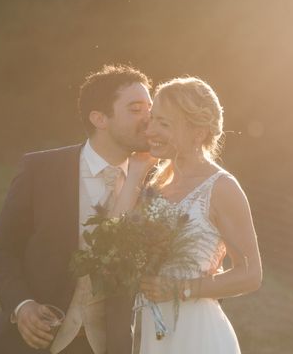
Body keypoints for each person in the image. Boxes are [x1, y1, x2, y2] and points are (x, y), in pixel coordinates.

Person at [0, 64, 152, 354]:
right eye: (136, 109)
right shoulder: (40, 169)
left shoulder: (156, 183)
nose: (149, 118)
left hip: (111, 344)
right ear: (100, 118)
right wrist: (22, 306)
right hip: (34, 341)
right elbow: (2, 248)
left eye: (150, 108)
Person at [112, 76, 262, 353]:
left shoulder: (222, 188)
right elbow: (115, 240)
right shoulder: (155, 185)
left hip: (197, 335)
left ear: (198, 133)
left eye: (164, 124)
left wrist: (181, 288)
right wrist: (135, 174)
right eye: (152, 119)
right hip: (152, 333)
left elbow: (251, 274)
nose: (151, 131)